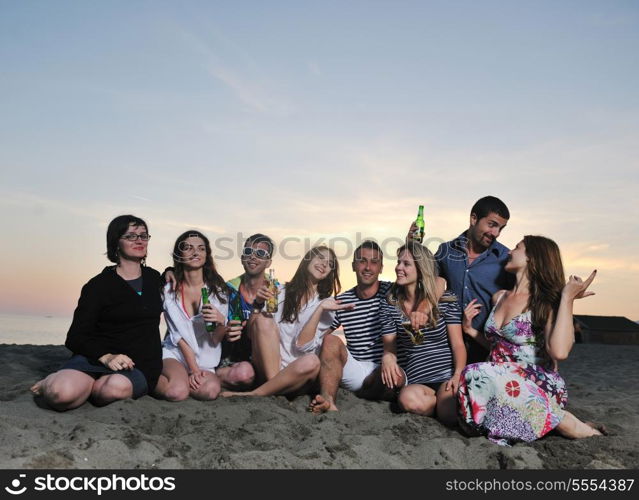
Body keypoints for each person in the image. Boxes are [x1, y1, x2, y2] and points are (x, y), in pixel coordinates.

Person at [457, 235, 605, 445]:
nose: (509, 252)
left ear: (532, 259)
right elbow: (502, 346)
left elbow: (559, 352)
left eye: (517, 248)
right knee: (459, 402)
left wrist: (567, 298)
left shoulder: (546, 301)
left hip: (535, 381)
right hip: (498, 378)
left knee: (474, 372)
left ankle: (565, 422)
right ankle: (545, 421)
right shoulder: (498, 297)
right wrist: (470, 330)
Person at [30, 215, 163, 410]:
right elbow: (75, 337)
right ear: (116, 242)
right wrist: (107, 357)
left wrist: (170, 270)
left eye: (143, 236)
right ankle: (54, 380)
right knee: (60, 394)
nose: (139, 241)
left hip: (138, 363)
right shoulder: (97, 286)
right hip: (97, 357)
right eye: (131, 236)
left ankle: (87, 385)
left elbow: (185, 277)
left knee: (110, 391)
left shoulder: (155, 278)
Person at [309, 241, 432, 414]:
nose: (368, 267)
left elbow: (437, 281)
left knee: (393, 376)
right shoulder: (343, 301)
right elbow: (319, 338)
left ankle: (369, 393)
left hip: (387, 367)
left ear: (381, 267)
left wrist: (422, 308)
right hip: (357, 368)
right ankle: (328, 401)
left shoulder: (393, 292)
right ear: (353, 265)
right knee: (330, 340)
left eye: (374, 262)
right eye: (362, 261)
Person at [222, 246, 352, 397]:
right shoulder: (280, 291)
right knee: (263, 319)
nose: (324, 264)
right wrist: (257, 304)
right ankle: (272, 387)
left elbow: (302, 345)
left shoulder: (327, 305)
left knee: (312, 361)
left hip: (297, 374)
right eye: (320, 258)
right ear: (307, 260)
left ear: (330, 273)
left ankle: (258, 393)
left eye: (330, 264)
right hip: (270, 366)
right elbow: (252, 333)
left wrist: (319, 310)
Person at [154, 230, 254, 401]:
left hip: (207, 360)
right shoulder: (169, 291)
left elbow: (214, 339)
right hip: (177, 354)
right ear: (179, 255)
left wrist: (222, 322)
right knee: (176, 392)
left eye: (201, 249)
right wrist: (193, 369)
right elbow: (178, 337)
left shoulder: (219, 292)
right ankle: (154, 379)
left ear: (207, 255)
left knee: (210, 391)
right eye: (188, 248)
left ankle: (182, 381)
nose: (195, 253)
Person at [417, 196, 514, 364]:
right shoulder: (445, 250)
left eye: (501, 228)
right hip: (447, 346)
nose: (496, 233)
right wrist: (412, 244)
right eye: (492, 225)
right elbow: (428, 280)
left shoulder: (506, 258)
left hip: (486, 348)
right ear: (473, 218)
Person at [380, 241, 466, 425]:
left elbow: (458, 344)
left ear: (421, 269)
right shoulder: (390, 305)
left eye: (406, 264)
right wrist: (388, 357)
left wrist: (458, 374)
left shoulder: (446, 300)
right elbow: (389, 347)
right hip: (417, 381)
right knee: (407, 400)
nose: (398, 268)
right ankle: (440, 405)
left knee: (449, 413)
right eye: (398, 262)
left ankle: (443, 405)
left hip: (445, 376)